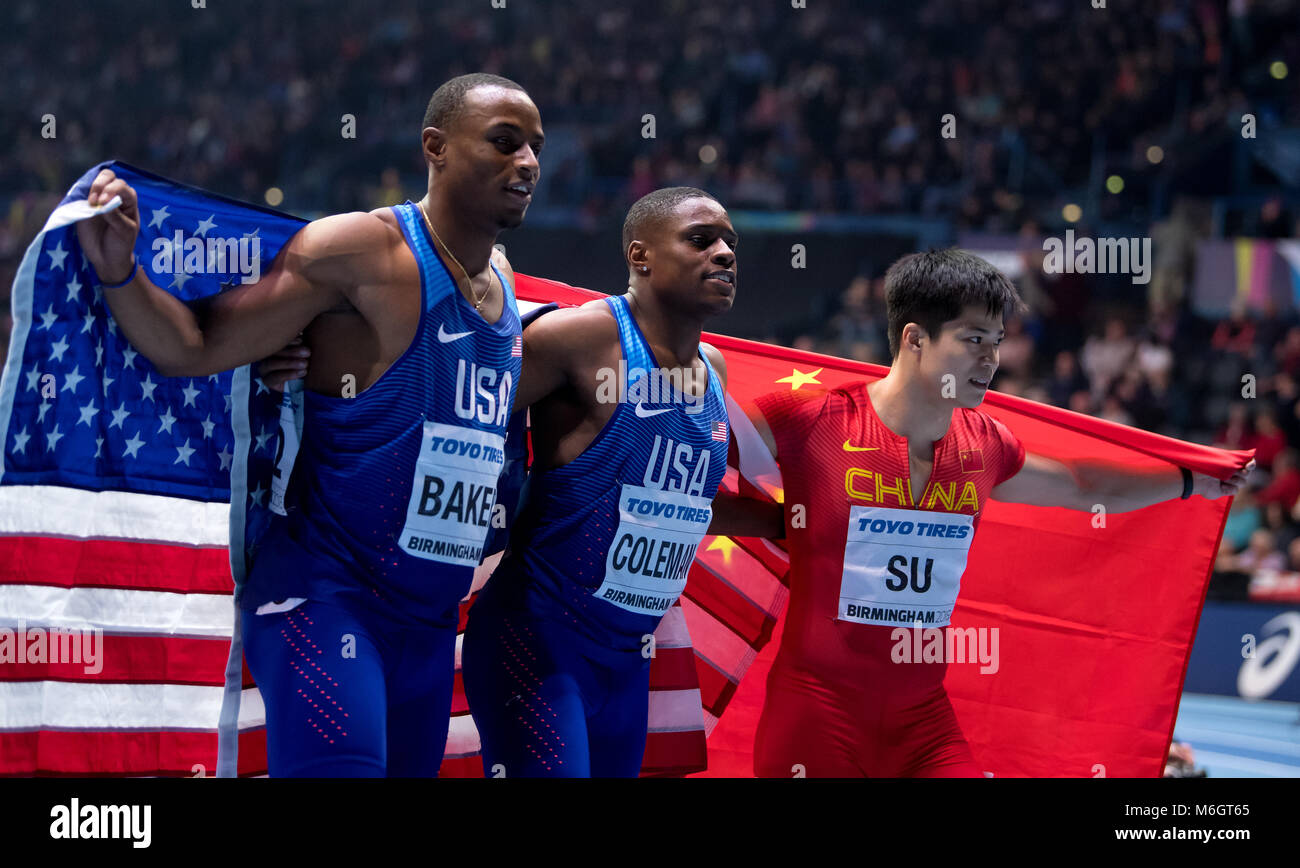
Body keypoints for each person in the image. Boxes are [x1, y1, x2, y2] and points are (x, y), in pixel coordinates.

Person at [74, 73, 544, 776]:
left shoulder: (503, 284)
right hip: (325, 601)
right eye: (505, 143)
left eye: (536, 147)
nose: (529, 162)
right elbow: (195, 346)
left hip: (428, 631)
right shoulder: (364, 254)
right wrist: (119, 272)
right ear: (436, 147)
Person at [727, 248, 1253, 777]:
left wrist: (1191, 480)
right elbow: (682, 468)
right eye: (974, 339)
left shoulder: (985, 446)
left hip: (923, 721)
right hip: (818, 712)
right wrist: (770, 521)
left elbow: (1083, 485)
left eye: (997, 342)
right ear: (914, 338)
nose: (992, 359)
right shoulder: (811, 419)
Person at [460, 187, 740, 777]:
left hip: (629, 659)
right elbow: (457, 402)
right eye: (701, 239)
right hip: (535, 639)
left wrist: (801, 523)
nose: (723, 253)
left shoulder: (713, 370)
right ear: (640, 256)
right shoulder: (584, 339)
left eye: (729, 243)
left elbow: (682, 505)